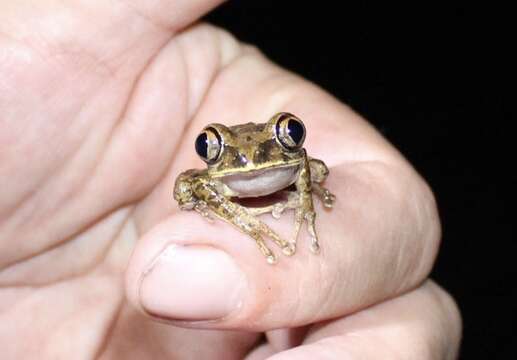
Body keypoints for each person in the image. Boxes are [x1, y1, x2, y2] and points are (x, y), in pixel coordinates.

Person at [0, 1, 461, 358]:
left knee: (321, 177)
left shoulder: (296, 163)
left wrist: (307, 198)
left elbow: (313, 168)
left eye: (289, 133)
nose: (251, 156)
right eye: (213, 146)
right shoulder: (207, 178)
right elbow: (185, 187)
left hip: (290, 185)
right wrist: (240, 218)